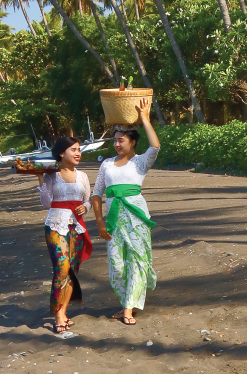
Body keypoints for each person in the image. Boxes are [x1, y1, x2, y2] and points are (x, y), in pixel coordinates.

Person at [91, 98, 160, 326]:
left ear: (132, 143)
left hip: (136, 217)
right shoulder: (107, 164)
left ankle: (129, 308)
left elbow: (155, 146)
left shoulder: (140, 163)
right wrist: (99, 221)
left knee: (137, 260)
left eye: (121, 141)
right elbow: (97, 194)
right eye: (115, 141)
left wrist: (145, 120)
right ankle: (126, 303)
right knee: (117, 264)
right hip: (113, 220)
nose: (117, 145)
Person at [35, 136, 93, 333]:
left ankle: (63, 309)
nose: (78, 153)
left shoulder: (83, 176)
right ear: (61, 153)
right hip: (55, 224)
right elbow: (45, 203)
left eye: (79, 149)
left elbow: (88, 200)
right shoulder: (52, 175)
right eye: (73, 149)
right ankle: (59, 315)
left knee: (71, 271)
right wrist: (40, 177)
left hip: (76, 226)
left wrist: (85, 208)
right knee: (62, 266)